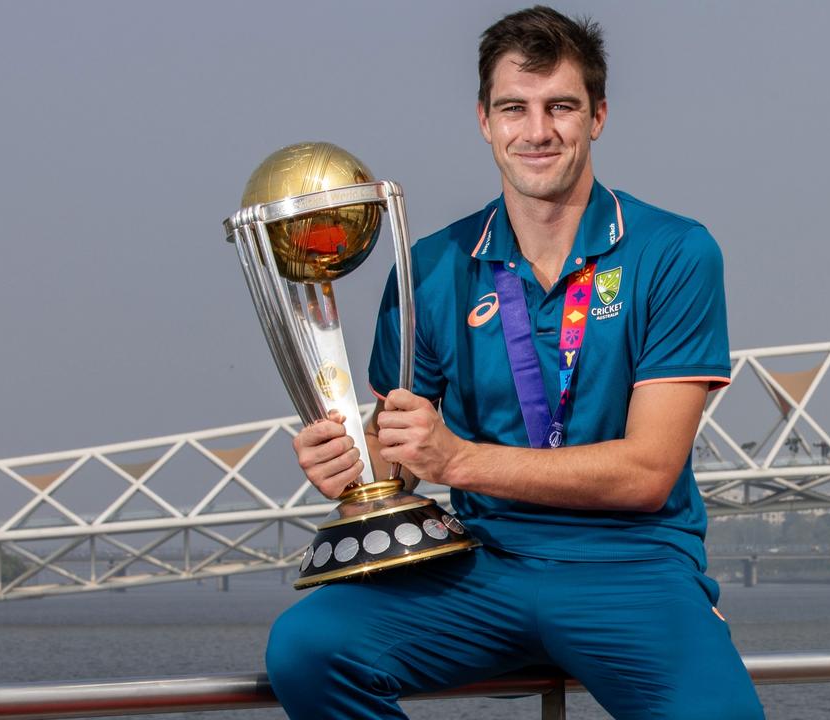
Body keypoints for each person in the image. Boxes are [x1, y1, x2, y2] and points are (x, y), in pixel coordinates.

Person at [265, 6, 764, 719]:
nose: (536, 131)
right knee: (307, 649)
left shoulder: (674, 252)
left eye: (560, 106)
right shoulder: (432, 267)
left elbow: (650, 473)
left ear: (597, 116)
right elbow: (404, 454)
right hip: (483, 565)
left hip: (633, 567)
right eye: (514, 109)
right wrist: (353, 465)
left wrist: (460, 462)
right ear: (483, 119)